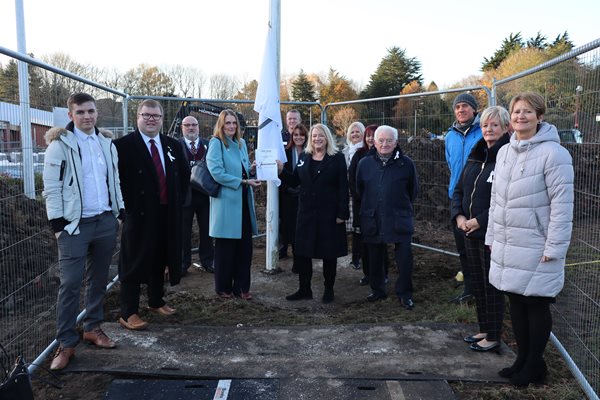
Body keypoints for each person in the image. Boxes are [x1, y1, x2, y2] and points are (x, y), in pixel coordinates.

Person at [486, 92, 573, 387]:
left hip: (538, 244)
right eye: (516, 111)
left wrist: (555, 247)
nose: (520, 116)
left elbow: (562, 206)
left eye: (527, 111)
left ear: (540, 116)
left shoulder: (554, 154)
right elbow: (496, 200)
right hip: (510, 242)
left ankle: (535, 364)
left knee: (536, 305)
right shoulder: (505, 152)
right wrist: (492, 235)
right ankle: (522, 360)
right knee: (516, 302)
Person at [42, 93, 124, 370]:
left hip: (104, 222)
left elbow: (113, 179)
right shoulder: (60, 146)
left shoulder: (106, 143)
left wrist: (119, 210)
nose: (87, 117)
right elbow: (51, 188)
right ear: (70, 115)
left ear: (96, 113)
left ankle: (93, 327)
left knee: (99, 279)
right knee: (70, 284)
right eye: (81, 112)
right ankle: (66, 343)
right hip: (73, 227)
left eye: (91, 111)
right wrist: (58, 225)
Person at [115, 99, 189, 330]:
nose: (151, 119)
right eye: (146, 115)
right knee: (134, 261)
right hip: (138, 214)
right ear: (137, 117)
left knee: (161, 256)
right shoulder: (122, 146)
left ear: (161, 119)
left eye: (155, 116)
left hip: (167, 213)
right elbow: (116, 182)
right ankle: (129, 312)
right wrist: (124, 211)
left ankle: (156, 301)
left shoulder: (172, 145)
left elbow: (184, 175)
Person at [451, 106, 510, 352]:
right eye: (485, 125)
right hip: (468, 230)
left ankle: (494, 335)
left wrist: (481, 220)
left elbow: (506, 199)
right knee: (477, 281)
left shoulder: (507, 157)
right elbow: (459, 190)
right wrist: (459, 215)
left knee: (492, 284)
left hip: (491, 233)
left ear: (506, 128)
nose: (489, 129)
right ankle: (484, 328)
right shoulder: (476, 155)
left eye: (495, 125)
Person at [279, 123, 349, 303]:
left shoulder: (337, 158)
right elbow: (294, 180)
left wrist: (343, 213)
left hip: (329, 214)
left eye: (321, 136)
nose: (317, 139)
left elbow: (343, 187)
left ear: (327, 138)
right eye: (315, 136)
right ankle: (304, 289)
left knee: (329, 253)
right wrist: (281, 170)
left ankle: (328, 289)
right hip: (306, 214)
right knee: (302, 253)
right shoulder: (304, 156)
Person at [356, 125, 419, 309]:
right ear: (374, 142)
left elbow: (413, 190)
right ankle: (378, 290)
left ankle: (405, 293)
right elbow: (360, 189)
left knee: (404, 258)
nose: (385, 144)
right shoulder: (364, 164)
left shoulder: (406, 164)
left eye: (389, 140)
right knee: (374, 256)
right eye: (381, 140)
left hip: (399, 217)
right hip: (372, 217)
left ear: (396, 142)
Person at [206, 110, 260, 300]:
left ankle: (242, 287)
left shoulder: (241, 143)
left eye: (234, 123)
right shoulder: (216, 143)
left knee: (245, 248)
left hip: (243, 201)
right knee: (225, 249)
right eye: (227, 123)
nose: (231, 126)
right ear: (221, 125)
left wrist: (251, 170)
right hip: (227, 203)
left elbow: (243, 170)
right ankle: (223, 288)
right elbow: (217, 172)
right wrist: (244, 182)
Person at [445, 93, 482, 304]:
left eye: (465, 106)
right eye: (458, 107)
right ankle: (469, 289)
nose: (461, 110)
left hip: (477, 198)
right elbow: (450, 164)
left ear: (474, 110)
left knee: (479, 247)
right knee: (463, 247)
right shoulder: (450, 136)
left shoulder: (482, 131)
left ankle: (484, 289)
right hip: (456, 197)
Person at [179, 115, 214, 276]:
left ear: (198, 127)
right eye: (187, 125)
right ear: (182, 128)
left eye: (194, 125)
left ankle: (207, 261)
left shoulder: (209, 145)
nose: (191, 128)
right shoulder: (176, 145)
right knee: (183, 231)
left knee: (207, 229)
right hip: (184, 196)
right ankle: (183, 263)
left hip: (204, 195)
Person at [348, 124, 378, 284]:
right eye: (369, 135)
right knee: (364, 239)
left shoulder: (385, 154)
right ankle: (367, 273)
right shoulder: (358, 155)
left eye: (374, 135)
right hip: (362, 204)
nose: (371, 138)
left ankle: (381, 274)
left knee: (379, 242)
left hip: (379, 207)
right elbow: (352, 179)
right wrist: (361, 197)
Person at [279, 123, 308, 272]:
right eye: (295, 135)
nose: (298, 137)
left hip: (304, 197)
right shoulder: (285, 153)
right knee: (289, 230)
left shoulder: (310, 153)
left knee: (302, 231)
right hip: (288, 198)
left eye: (301, 135)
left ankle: (299, 262)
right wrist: (288, 189)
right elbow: (280, 175)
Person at [342, 121, 365, 270]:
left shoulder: (365, 151)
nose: (355, 134)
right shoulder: (344, 152)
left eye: (358, 132)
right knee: (349, 228)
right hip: (347, 196)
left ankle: (358, 258)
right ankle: (353, 256)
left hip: (360, 196)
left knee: (359, 228)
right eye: (352, 132)